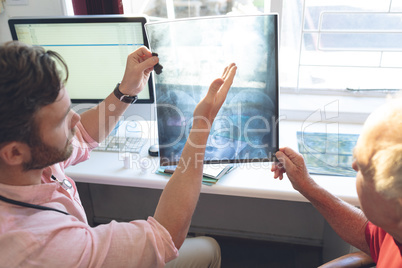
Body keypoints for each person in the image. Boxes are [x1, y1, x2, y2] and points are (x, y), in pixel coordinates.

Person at [0, 40, 237, 267]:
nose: (76, 119)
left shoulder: (28, 159)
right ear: (14, 153)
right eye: (61, 120)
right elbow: (164, 237)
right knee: (210, 249)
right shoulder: (40, 245)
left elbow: (81, 133)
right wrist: (202, 126)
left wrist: (126, 91)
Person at [271, 98, 402, 267]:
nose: (353, 165)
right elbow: (367, 234)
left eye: (362, 164)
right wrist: (305, 184)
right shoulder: (395, 229)